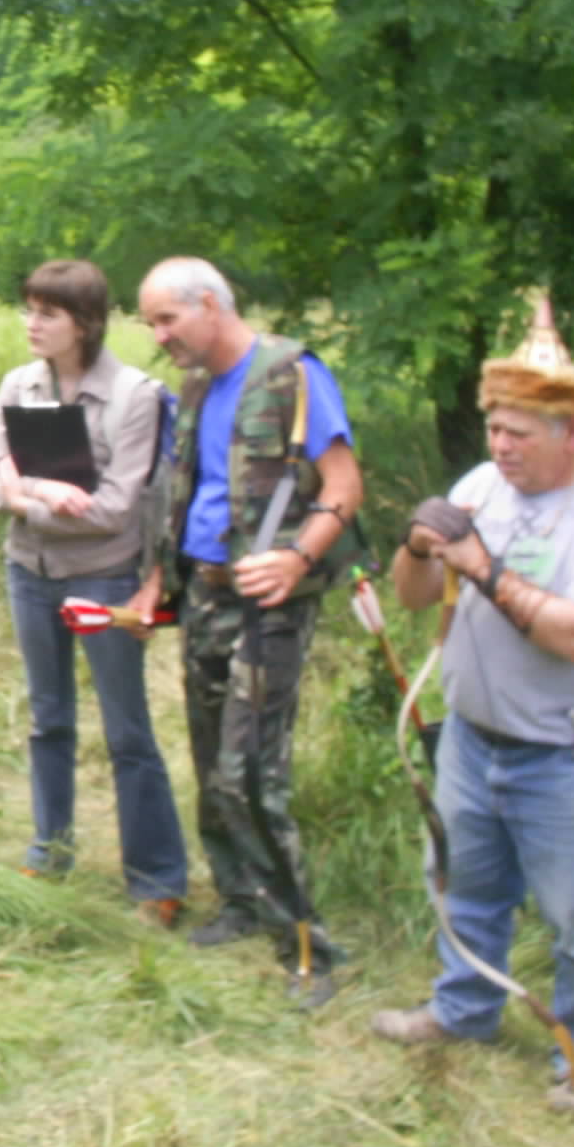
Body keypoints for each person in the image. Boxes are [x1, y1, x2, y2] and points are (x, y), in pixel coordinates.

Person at [373, 299, 574, 1117]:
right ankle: (462, 1010)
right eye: (494, 429)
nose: (500, 447)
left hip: (568, 753)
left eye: (519, 434)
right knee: (464, 885)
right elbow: (413, 595)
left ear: (572, 431)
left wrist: (482, 567)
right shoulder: (482, 487)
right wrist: (417, 545)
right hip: (473, 739)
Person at [125, 257, 362, 989]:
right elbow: (184, 492)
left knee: (250, 773)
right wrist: (157, 582)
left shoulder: (293, 375)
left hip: (269, 604)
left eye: (167, 319)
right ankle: (241, 902)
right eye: (151, 323)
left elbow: (344, 484)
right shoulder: (197, 387)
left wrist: (297, 558)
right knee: (209, 758)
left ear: (209, 304)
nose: (159, 336)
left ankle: (308, 948)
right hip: (204, 593)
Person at [0, 259, 189, 923]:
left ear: (87, 323)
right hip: (29, 572)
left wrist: (21, 491)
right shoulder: (19, 385)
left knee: (127, 730)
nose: (31, 324)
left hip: (105, 577)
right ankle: (51, 850)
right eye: (29, 309)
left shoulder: (136, 395)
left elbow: (115, 509)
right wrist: (41, 491)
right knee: (49, 719)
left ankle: (156, 878)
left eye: (48, 313)